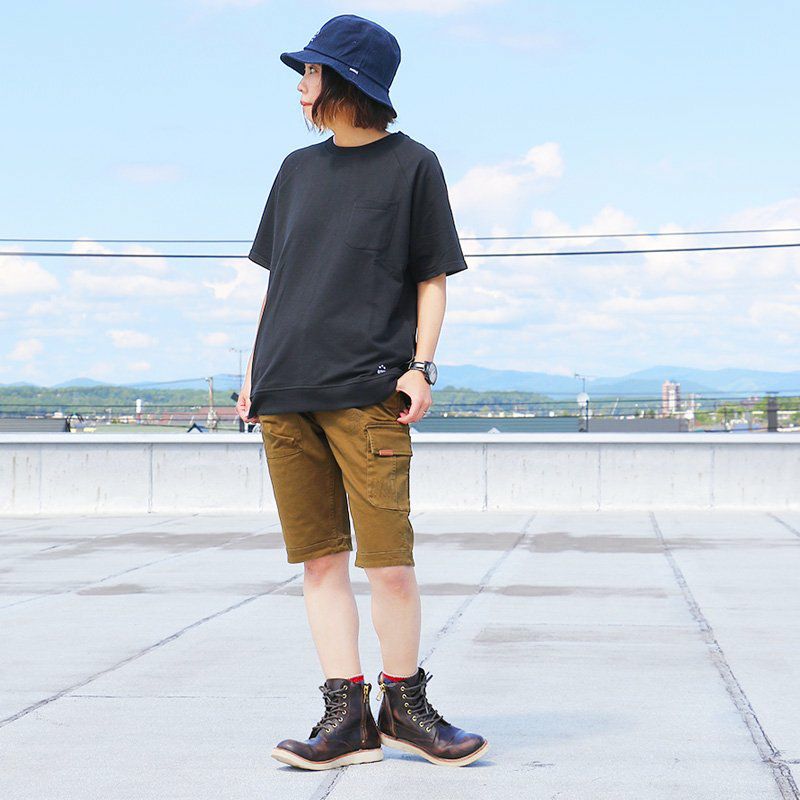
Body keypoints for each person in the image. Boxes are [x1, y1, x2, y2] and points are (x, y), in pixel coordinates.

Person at [237, 14, 488, 770]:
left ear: (346, 81)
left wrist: (422, 366)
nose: (300, 87)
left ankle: (404, 706)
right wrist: (252, 374)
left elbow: (432, 277)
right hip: (285, 390)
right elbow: (279, 285)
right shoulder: (295, 169)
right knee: (319, 562)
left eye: (310, 73)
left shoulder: (414, 165)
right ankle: (345, 720)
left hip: (370, 389)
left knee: (389, 565)